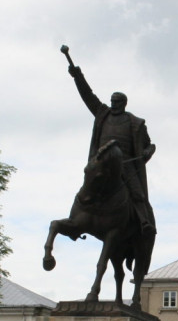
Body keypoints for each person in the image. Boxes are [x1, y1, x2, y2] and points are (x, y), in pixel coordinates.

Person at [67, 58, 157, 237]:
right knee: (89, 185)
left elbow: (150, 145)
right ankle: (75, 220)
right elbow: (88, 95)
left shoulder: (136, 123)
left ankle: (144, 221)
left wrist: (147, 152)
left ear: (124, 103)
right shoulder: (102, 113)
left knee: (137, 194)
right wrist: (77, 76)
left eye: (117, 102)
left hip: (125, 163)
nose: (114, 104)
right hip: (101, 162)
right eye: (112, 101)